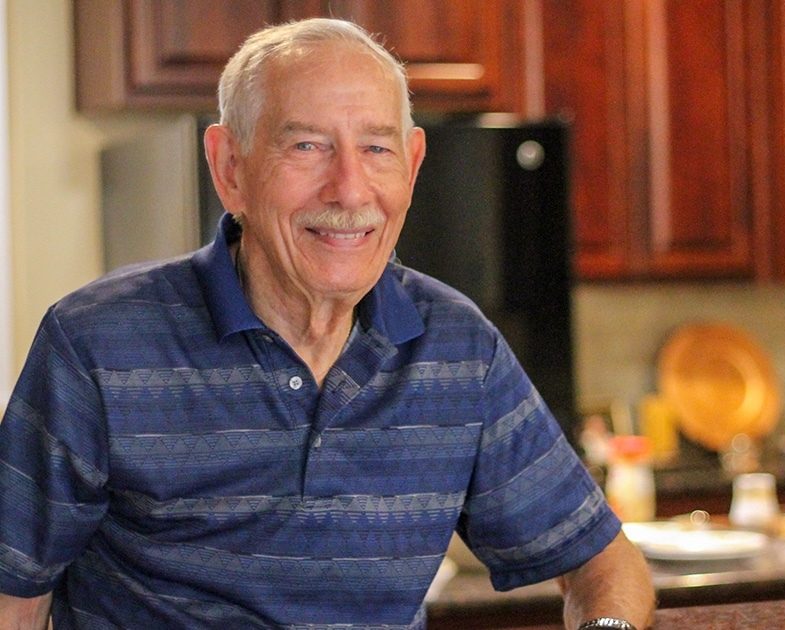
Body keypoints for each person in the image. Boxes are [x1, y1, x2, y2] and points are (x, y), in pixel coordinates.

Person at [0, 17, 654, 630]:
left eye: (376, 147)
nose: (349, 188)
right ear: (231, 169)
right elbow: (13, 593)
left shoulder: (457, 348)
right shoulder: (95, 346)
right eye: (307, 145)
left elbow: (603, 561)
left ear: (413, 163)